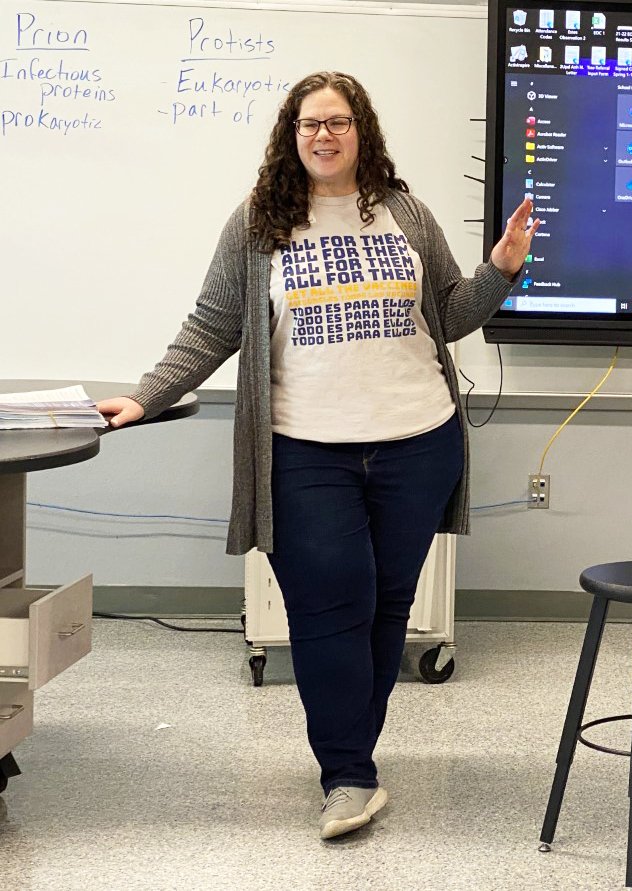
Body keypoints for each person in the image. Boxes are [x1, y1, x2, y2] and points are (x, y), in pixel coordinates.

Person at [96, 71, 538, 840]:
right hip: (304, 449)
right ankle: (347, 772)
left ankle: (352, 762)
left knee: (384, 607)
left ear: (360, 131)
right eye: (308, 124)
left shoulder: (405, 212)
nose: (322, 136)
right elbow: (211, 325)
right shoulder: (258, 222)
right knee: (329, 605)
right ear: (290, 135)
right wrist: (147, 395)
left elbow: (450, 313)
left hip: (417, 441)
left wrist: (499, 269)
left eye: (336, 122)